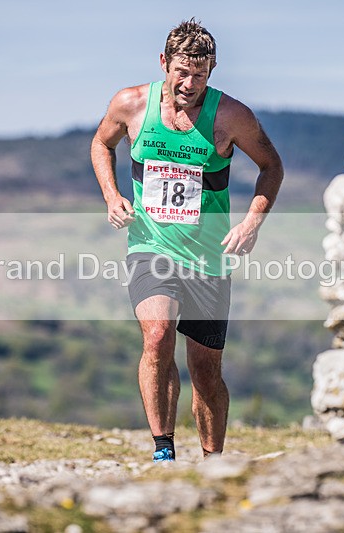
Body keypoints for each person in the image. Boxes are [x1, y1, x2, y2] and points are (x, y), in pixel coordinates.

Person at [91, 19, 283, 462]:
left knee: (205, 370)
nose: (189, 83)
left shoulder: (232, 116)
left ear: (212, 70)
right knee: (157, 337)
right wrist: (112, 195)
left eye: (199, 73)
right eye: (181, 71)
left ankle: (212, 460)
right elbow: (102, 144)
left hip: (209, 258)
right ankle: (163, 451)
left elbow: (272, 167)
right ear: (164, 63)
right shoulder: (131, 104)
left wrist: (252, 221)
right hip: (150, 246)